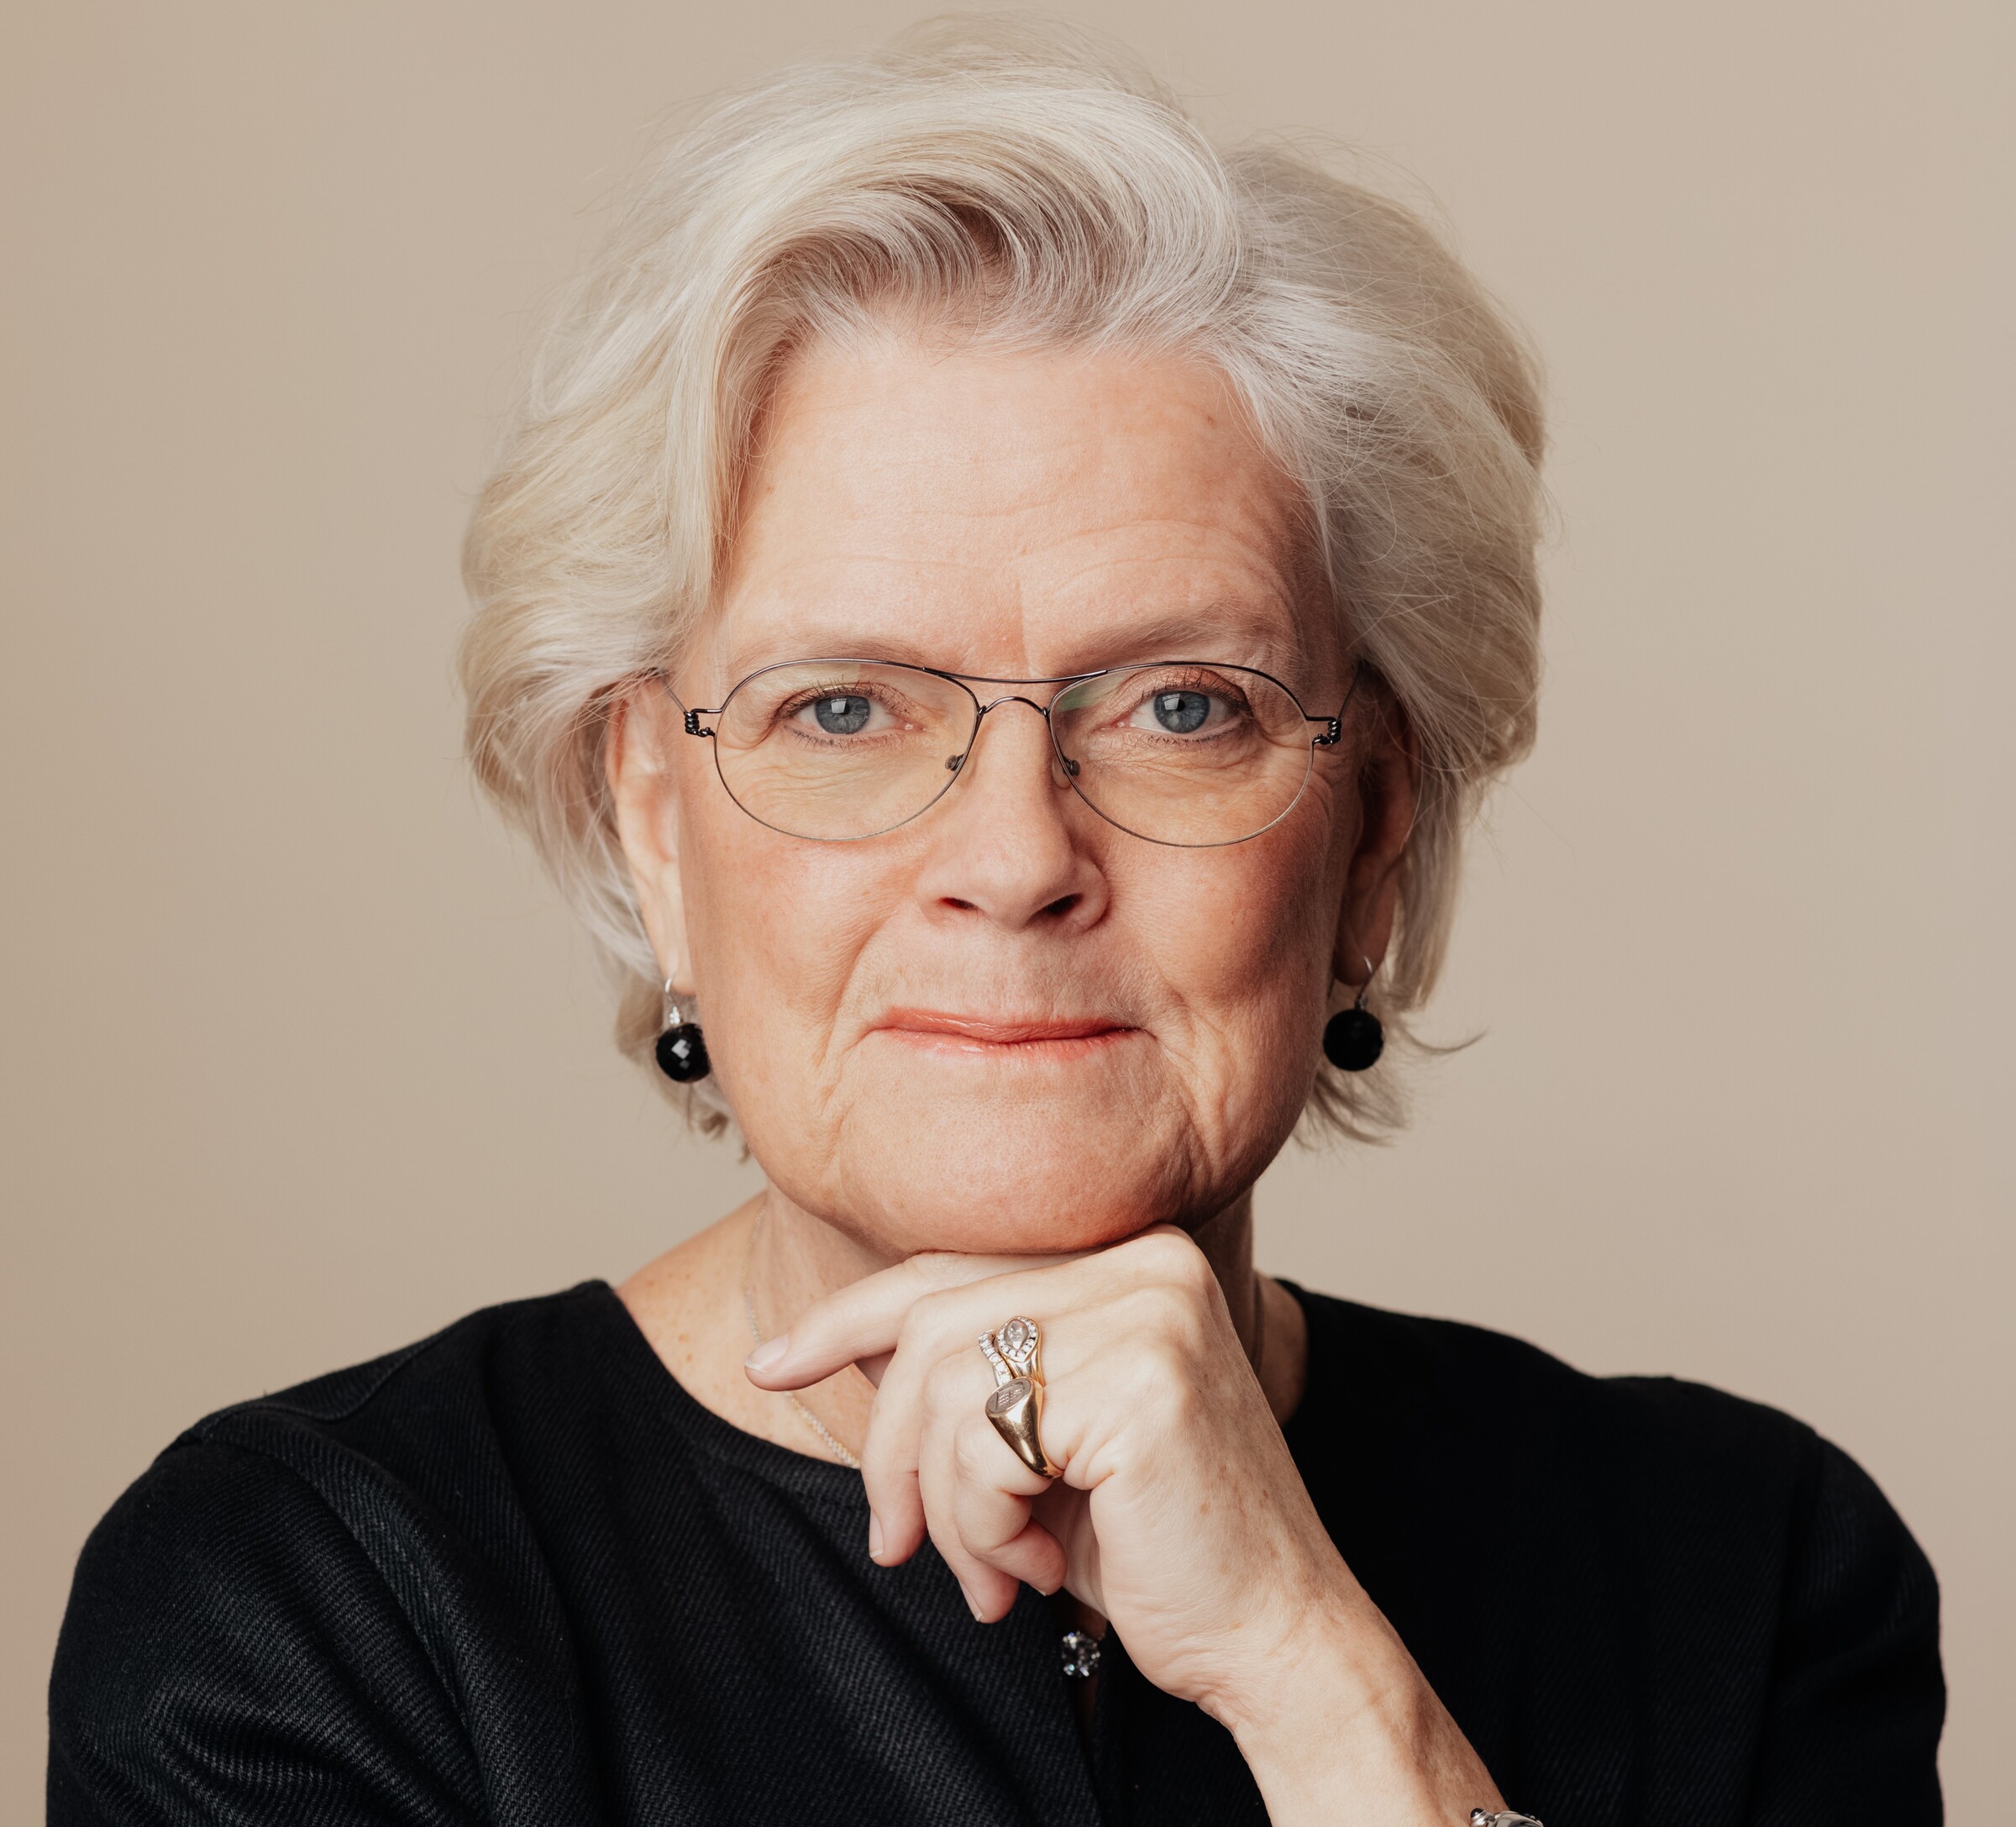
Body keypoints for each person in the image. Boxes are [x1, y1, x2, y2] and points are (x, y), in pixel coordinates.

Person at [48, 22, 1943, 1826]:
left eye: (1182, 704)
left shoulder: (1743, 1576)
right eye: (843, 710)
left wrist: (1318, 1683)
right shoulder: (314, 1613)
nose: (1017, 855)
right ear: (650, 816)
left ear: (1373, 832)